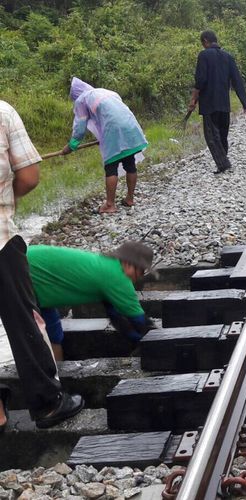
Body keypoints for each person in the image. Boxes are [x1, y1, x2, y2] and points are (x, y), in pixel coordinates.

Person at [0, 100, 83, 430]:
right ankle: (47, 403)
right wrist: (9, 202)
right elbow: (30, 175)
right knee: (24, 320)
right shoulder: (3, 112)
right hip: (1, 238)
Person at [27, 241, 156, 361]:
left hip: (35, 269)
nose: (140, 277)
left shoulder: (107, 265)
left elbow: (116, 316)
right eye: (141, 271)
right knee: (30, 337)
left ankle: (57, 378)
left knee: (54, 335)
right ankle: (42, 380)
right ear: (129, 264)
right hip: (23, 269)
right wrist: (157, 338)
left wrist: (138, 340)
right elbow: (140, 321)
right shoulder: (117, 277)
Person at [62, 77, 148, 214]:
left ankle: (110, 204)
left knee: (111, 166)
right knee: (130, 163)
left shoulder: (81, 100)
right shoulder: (104, 91)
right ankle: (130, 199)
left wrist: (71, 146)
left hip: (114, 129)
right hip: (130, 125)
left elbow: (80, 126)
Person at [188, 30, 246, 174]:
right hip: (224, 104)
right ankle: (223, 163)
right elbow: (237, 81)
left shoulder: (203, 55)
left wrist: (193, 99)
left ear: (205, 41)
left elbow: (200, 81)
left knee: (211, 136)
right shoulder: (228, 57)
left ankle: (223, 164)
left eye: (202, 43)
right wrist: (245, 103)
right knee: (222, 135)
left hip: (209, 104)